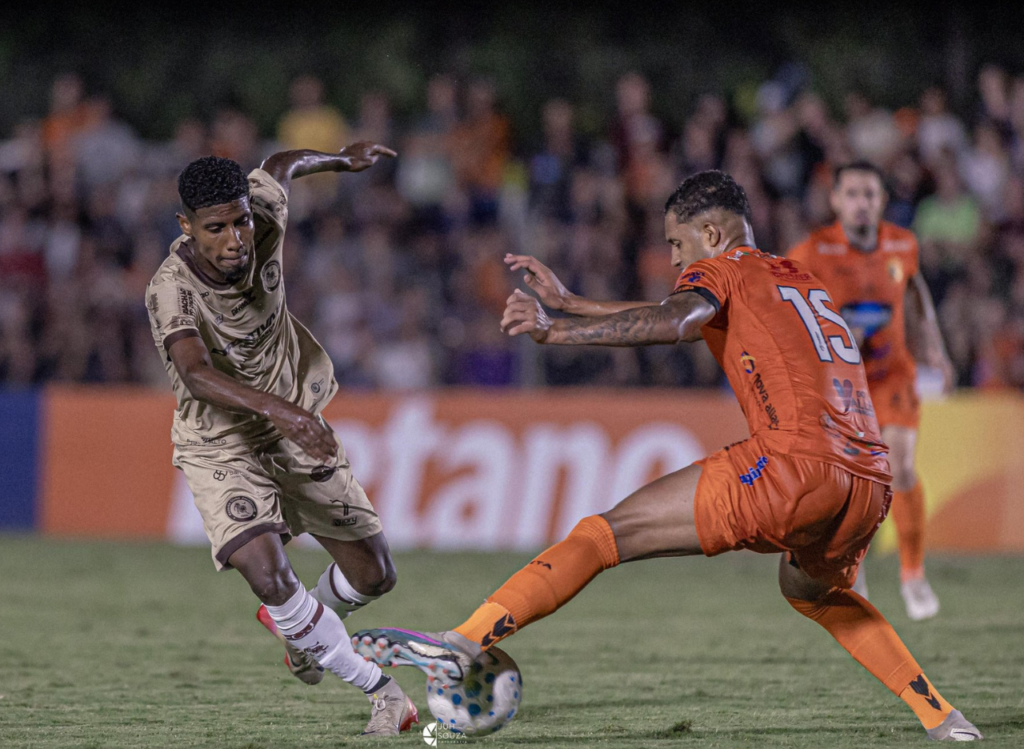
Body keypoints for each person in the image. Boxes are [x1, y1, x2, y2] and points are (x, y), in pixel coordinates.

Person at [352, 171, 981, 741]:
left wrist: (559, 332)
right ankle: (943, 719)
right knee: (812, 591)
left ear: (711, 233)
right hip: (868, 484)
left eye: (678, 247)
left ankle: (460, 643)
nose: (675, 261)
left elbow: (678, 320)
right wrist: (571, 301)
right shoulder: (795, 277)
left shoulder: (722, 269)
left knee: (602, 536)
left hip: (793, 468)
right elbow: (680, 312)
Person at [145, 143, 418, 737]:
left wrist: (341, 160)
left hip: (295, 430)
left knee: (375, 575)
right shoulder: (171, 290)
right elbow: (196, 373)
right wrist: (286, 414)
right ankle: (384, 693)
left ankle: (302, 635)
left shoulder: (263, 213)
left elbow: (279, 163)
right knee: (271, 579)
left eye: (240, 220)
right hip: (222, 443)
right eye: (216, 228)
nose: (235, 239)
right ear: (186, 227)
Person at [789, 161, 955, 620]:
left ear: (882, 201)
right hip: (839, 384)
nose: (861, 203)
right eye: (853, 194)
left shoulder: (903, 244)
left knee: (900, 468)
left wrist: (936, 349)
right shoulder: (812, 252)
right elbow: (787, 309)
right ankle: (852, 568)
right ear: (836, 201)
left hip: (891, 377)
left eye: (870, 194)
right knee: (848, 483)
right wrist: (830, 336)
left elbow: (916, 291)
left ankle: (913, 575)